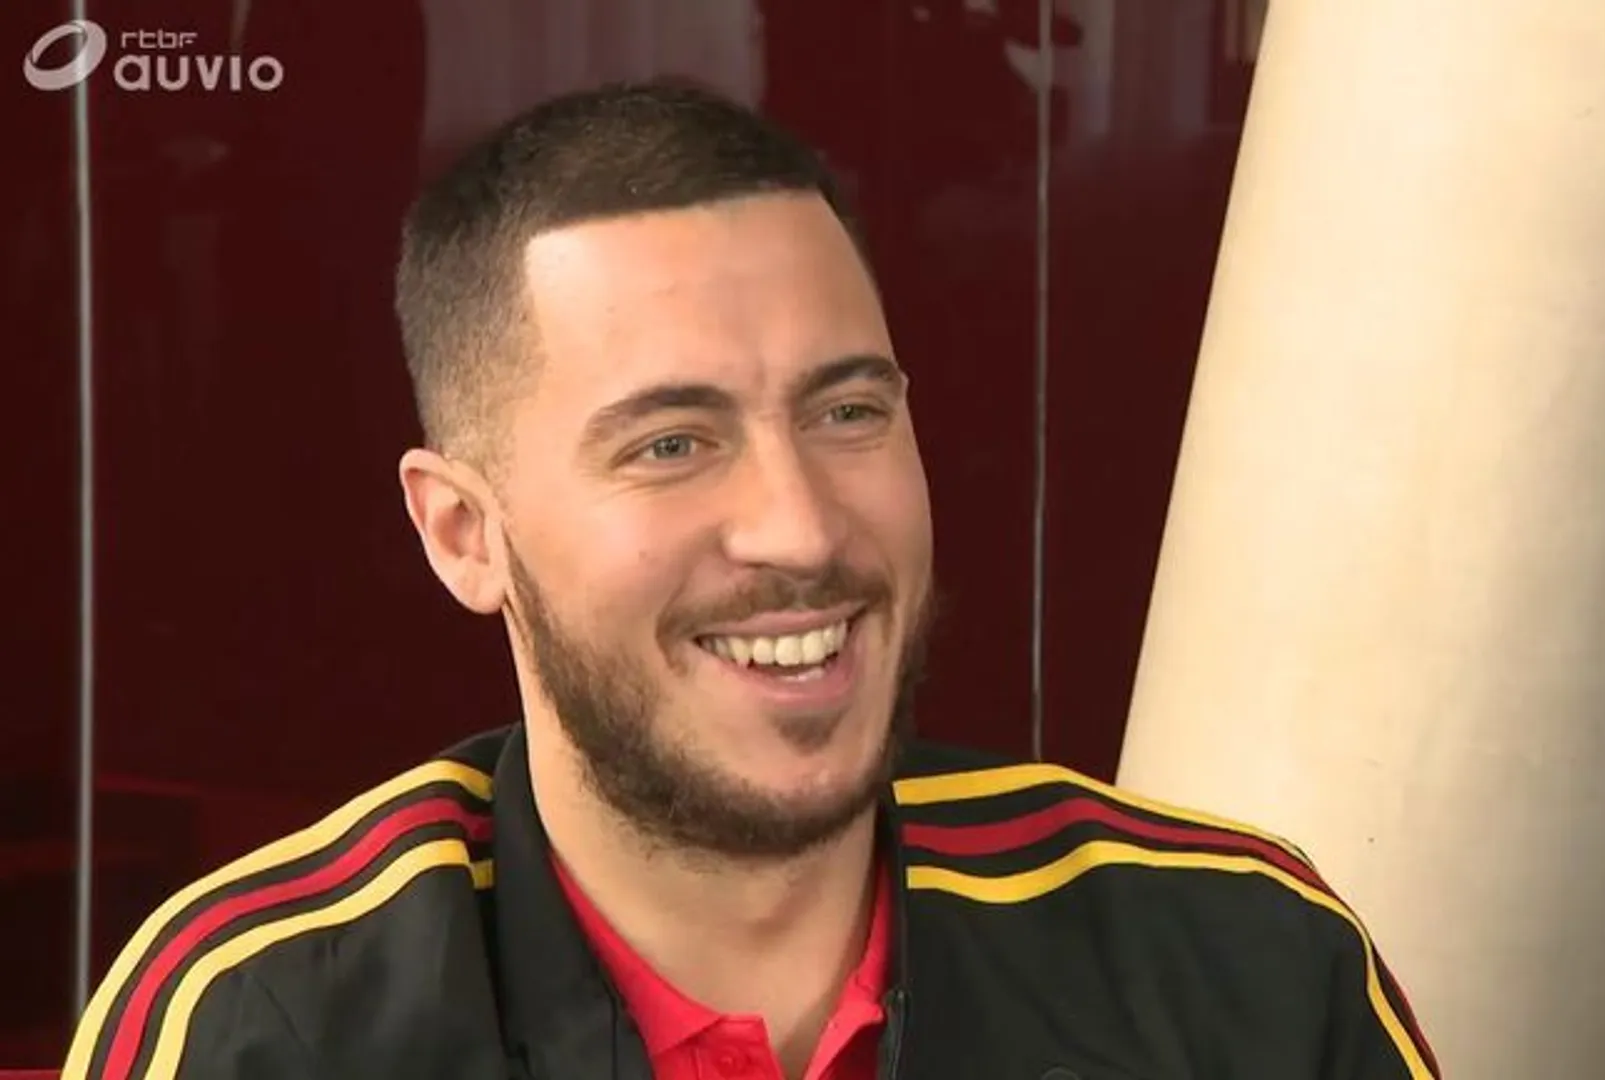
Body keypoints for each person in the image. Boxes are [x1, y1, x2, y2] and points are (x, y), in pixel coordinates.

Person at [60, 81, 1440, 1080]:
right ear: (465, 534)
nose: (798, 527)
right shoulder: (263, 1029)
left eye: (848, 413)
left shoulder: (1240, 967)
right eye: (672, 443)